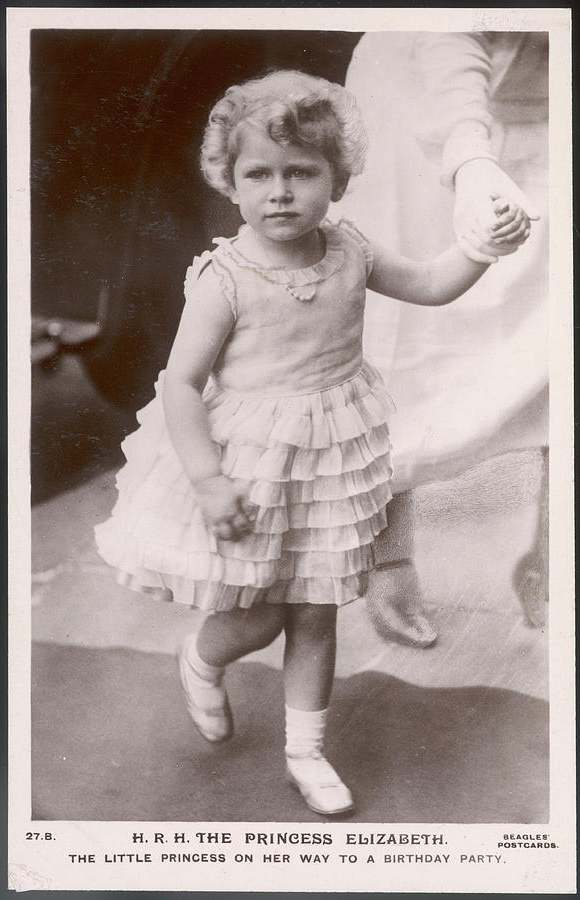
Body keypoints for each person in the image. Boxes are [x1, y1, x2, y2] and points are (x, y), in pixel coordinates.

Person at [95, 70, 530, 816]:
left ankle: (307, 751)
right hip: (249, 463)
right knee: (262, 612)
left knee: (317, 608)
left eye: (302, 172)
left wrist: (480, 246)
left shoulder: (351, 249)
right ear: (228, 183)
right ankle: (202, 655)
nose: (281, 192)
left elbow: (429, 283)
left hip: (333, 454)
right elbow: (178, 385)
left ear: (338, 179)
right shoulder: (223, 279)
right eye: (258, 174)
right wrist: (206, 478)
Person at [338, 31, 548, 634]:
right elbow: (452, 32)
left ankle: (555, 565)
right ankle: (390, 558)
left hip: (551, 106)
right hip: (421, 92)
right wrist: (471, 160)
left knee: (563, 341)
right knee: (395, 334)